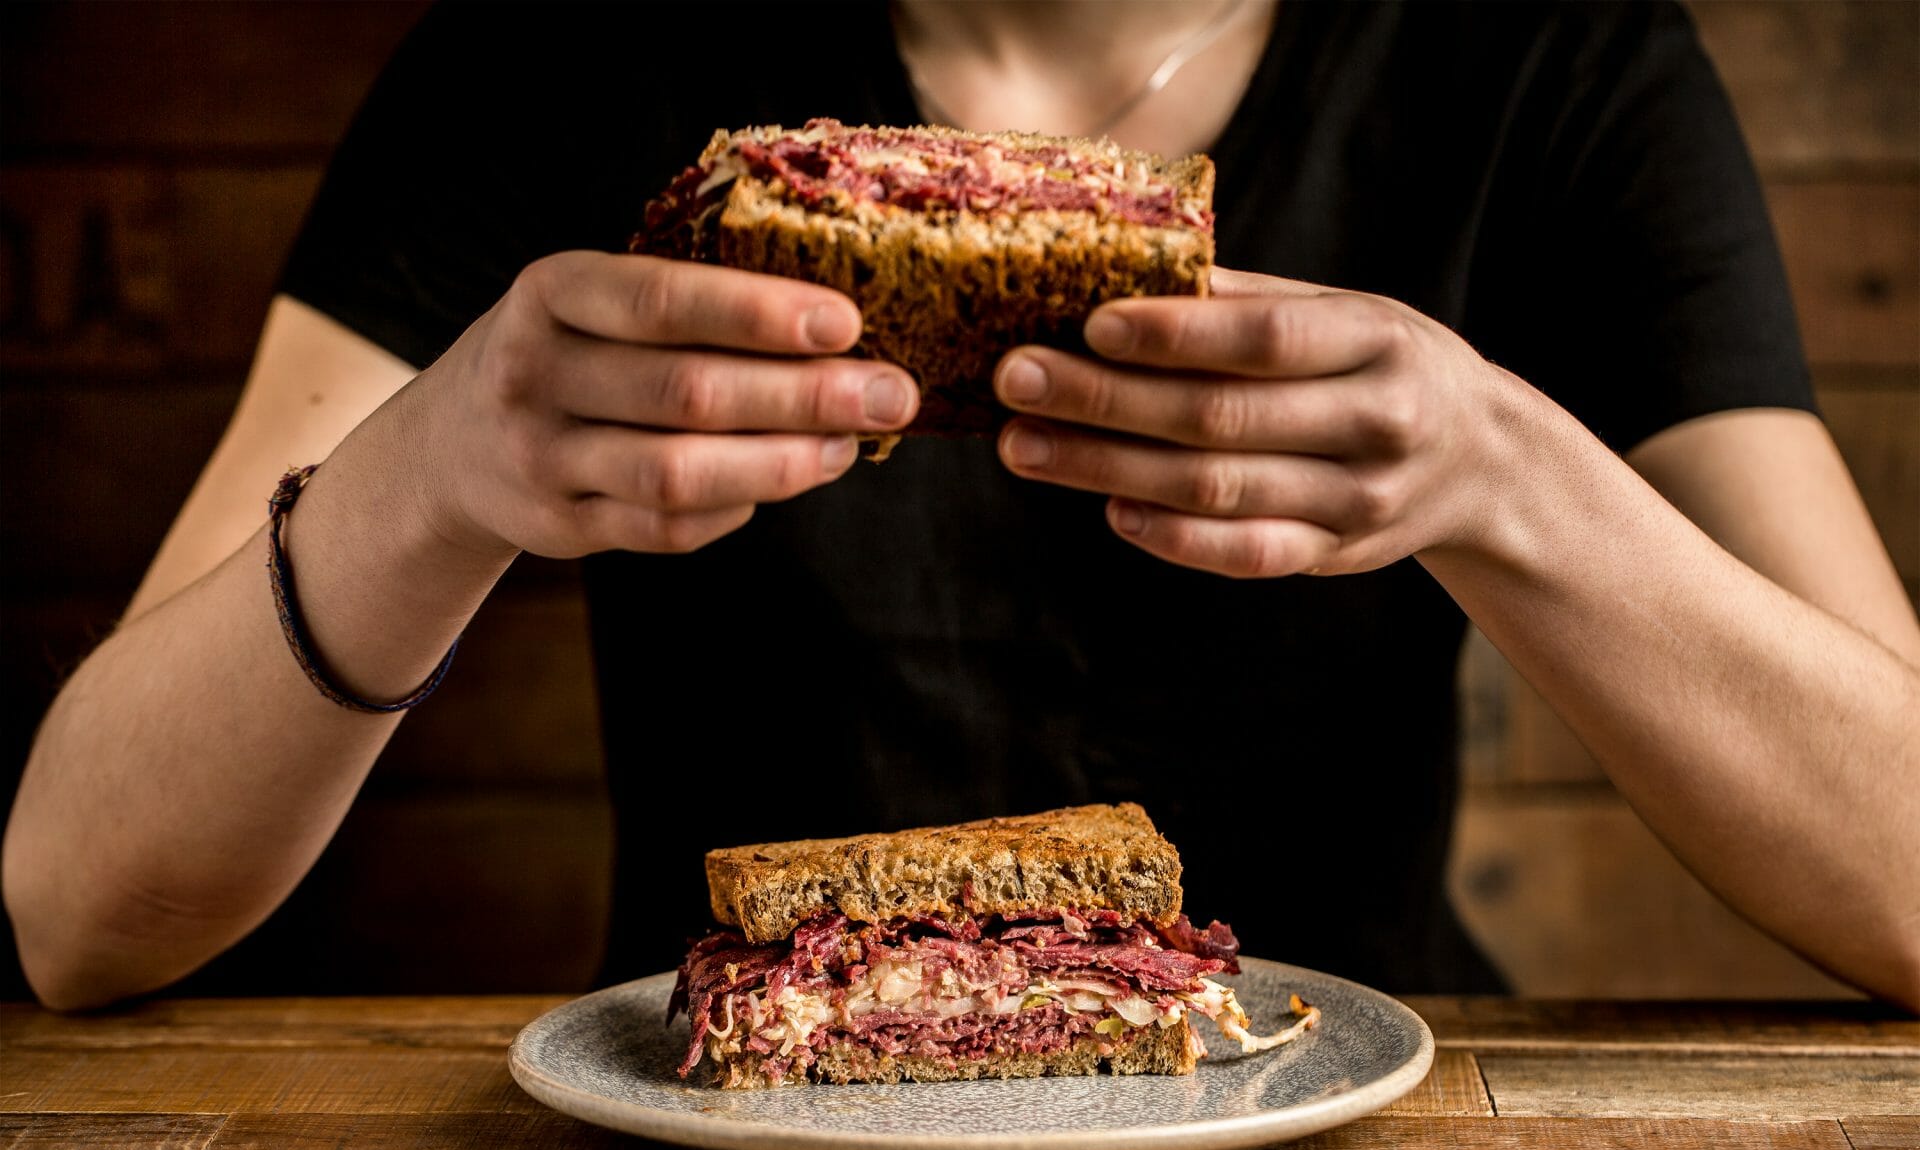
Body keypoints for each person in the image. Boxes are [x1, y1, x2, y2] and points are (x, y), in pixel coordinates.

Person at [5, 1, 1916, 1011]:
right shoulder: (566, 48)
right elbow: (81, 907)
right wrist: (424, 476)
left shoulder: (1550, 66)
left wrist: (1507, 475)